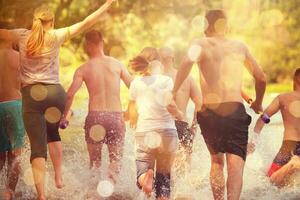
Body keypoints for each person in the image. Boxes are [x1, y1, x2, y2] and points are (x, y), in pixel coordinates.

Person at [0, 1, 116, 199]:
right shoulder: (57, 35)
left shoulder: (20, 35)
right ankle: (59, 177)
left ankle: (42, 195)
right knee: (53, 134)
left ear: (34, 21)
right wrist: (107, 5)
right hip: (55, 93)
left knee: (37, 147)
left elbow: (2, 32)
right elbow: (87, 22)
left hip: (31, 96)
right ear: (51, 22)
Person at [173, 10, 267, 200]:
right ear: (226, 26)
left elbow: (184, 65)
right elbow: (261, 78)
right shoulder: (239, 47)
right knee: (236, 165)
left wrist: (173, 92)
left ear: (206, 26)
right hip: (234, 110)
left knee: (216, 162)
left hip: (210, 111)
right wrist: (257, 102)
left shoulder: (200, 44)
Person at [60, 30, 132, 184]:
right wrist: (132, 111)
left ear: (87, 45)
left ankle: (93, 194)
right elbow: (134, 89)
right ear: (102, 42)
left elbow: (70, 94)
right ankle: (111, 191)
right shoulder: (117, 64)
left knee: (95, 164)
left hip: (95, 117)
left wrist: (64, 116)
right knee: (115, 161)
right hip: (115, 117)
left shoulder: (84, 69)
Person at [128, 47, 184, 200]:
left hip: (145, 132)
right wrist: (179, 114)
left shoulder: (135, 83)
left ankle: (145, 178)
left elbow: (132, 110)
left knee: (142, 172)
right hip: (167, 132)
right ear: (157, 63)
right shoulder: (166, 80)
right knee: (164, 182)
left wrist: (133, 119)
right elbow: (170, 104)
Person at [248, 68, 300, 187]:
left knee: (270, 183)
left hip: (288, 146)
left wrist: (253, 139)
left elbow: (263, 118)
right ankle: (294, 163)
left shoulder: (283, 98)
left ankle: (293, 163)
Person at [159, 47, 202, 171]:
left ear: (159, 60)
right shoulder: (188, 78)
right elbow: (199, 104)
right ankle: (183, 190)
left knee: (163, 168)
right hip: (182, 125)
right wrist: (194, 125)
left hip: (162, 126)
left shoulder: (156, 79)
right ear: (173, 59)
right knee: (184, 169)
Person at [0, 32, 25, 200]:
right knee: (16, 154)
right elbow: (27, 82)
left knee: (0, 156)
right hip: (15, 105)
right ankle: (9, 192)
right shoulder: (17, 57)